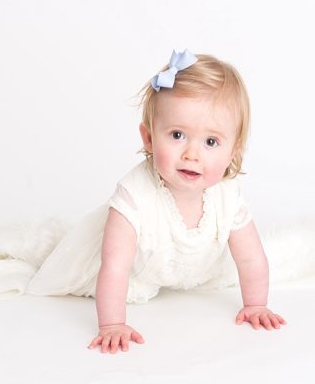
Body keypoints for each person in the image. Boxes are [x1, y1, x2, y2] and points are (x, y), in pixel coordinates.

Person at [26, 49, 287, 354]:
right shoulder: (135, 196)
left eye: (211, 142)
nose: (192, 154)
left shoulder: (227, 194)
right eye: (177, 135)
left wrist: (256, 305)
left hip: (191, 271)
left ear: (234, 151)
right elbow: (115, 266)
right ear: (148, 138)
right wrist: (112, 324)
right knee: (82, 273)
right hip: (138, 275)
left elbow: (251, 258)